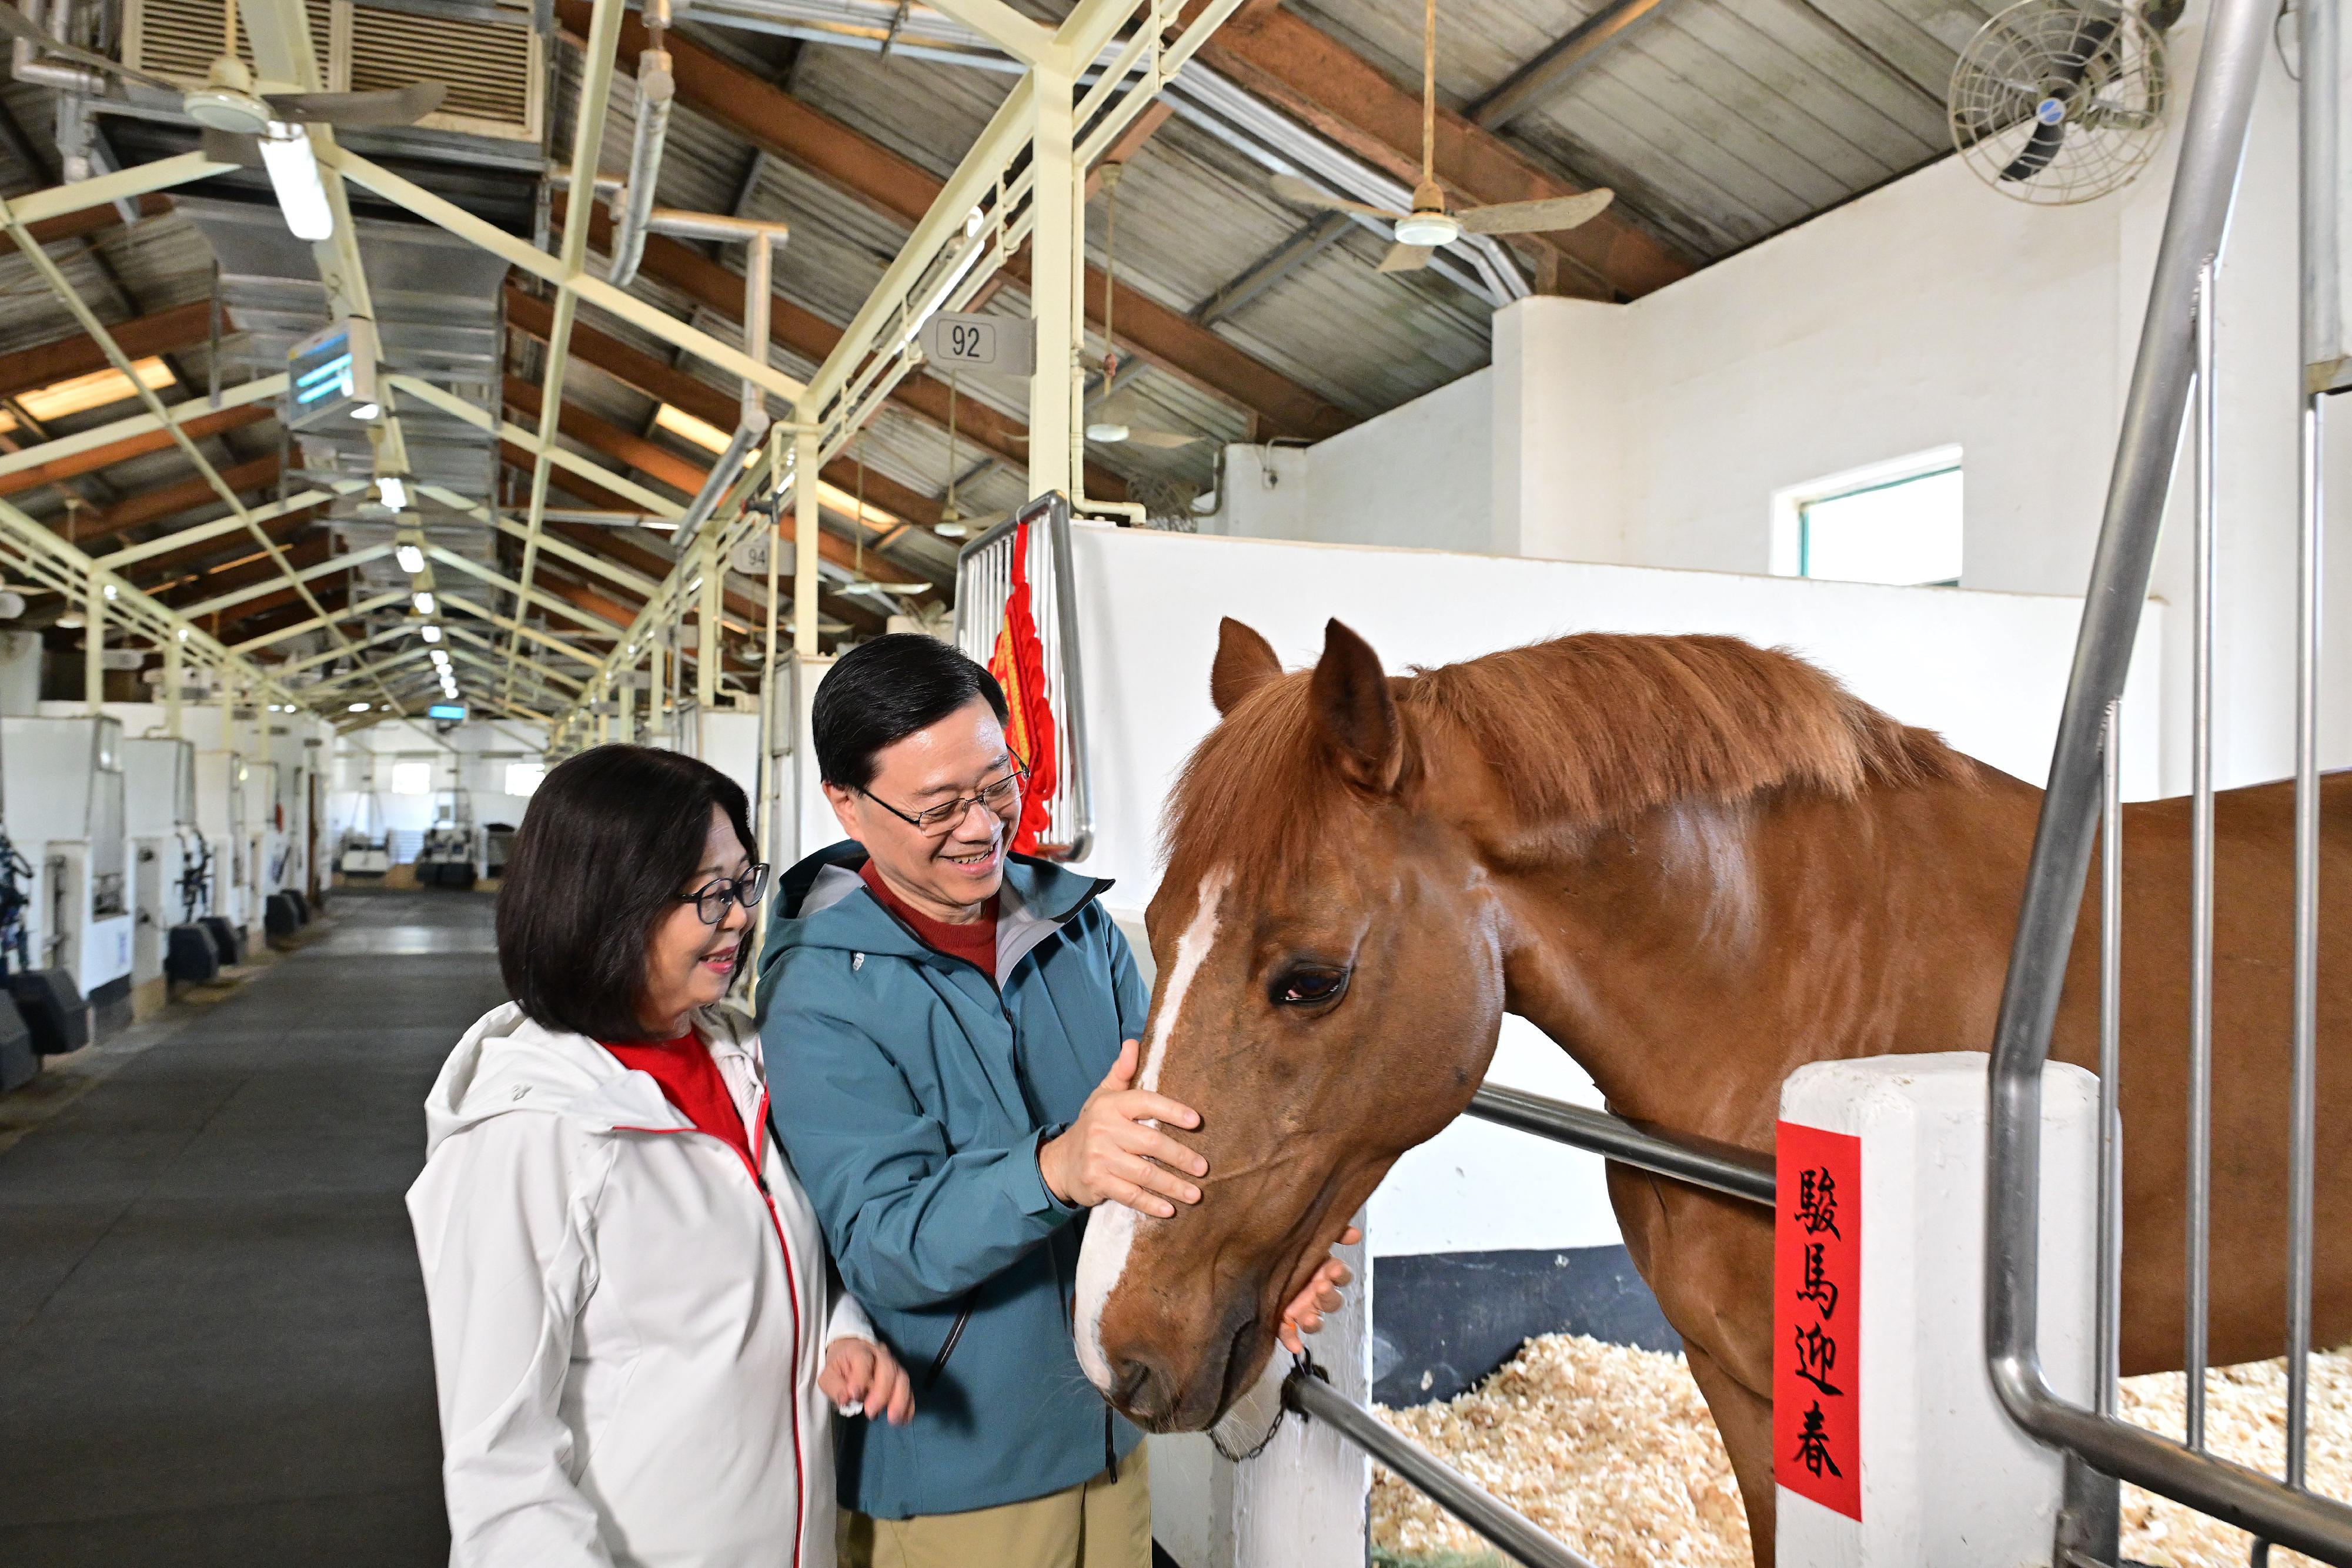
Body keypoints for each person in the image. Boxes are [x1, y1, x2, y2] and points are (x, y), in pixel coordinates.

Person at [760, 634, 1351, 1568]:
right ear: (846, 802)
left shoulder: (1079, 933)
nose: (982, 824)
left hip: (1109, 1430)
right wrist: (1057, 1169)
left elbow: (1169, 1144)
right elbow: (883, 1243)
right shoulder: (821, 993)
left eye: (998, 785)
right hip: (956, 1472)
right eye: (938, 806)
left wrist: (1270, 1261)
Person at [407, 745, 913, 1568]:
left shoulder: (748, 1061)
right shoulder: (529, 1136)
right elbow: (499, 1469)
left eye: (744, 883)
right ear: (607, 906)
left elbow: (786, 1259)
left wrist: (838, 1335)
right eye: (711, 895)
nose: (742, 917)